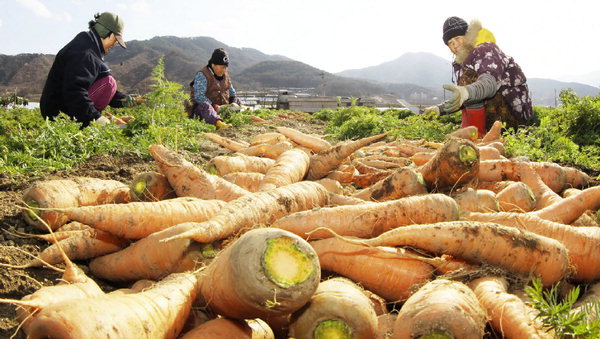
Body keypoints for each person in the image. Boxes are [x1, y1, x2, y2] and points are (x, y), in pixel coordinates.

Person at [425, 17, 534, 136]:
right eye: (450, 43)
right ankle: (475, 133)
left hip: (512, 115)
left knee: (469, 78)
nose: (455, 45)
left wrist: (465, 92)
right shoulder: (461, 63)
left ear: (467, 36)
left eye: (457, 38)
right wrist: (439, 109)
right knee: (469, 84)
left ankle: (478, 135)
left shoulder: (486, 50)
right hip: (493, 112)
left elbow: (488, 84)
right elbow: (465, 96)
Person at [40, 12, 142, 127]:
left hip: (63, 108)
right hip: (61, 113)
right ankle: (86, 123)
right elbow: (75, 91)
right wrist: (96, 118)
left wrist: (123, 99)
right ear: (109, 34)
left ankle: (93, 120)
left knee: (107, 79)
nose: (115, 44)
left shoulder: (89, 46)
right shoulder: (85, 53)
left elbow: (95, 86)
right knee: (108, 81)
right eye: (116, 39)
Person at [187, 48, 241, 130]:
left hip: (222, 109)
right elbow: (199, 97)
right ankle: (218, 123)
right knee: (204, 105)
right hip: (206, 111)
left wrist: (233, 103)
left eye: (226, 67)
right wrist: (215, 106)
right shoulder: (202, 75)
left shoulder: (226, 76)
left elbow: (232, 93)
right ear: (213, 65)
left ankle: (232, 118)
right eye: (222, 67)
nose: (224, 70)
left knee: (237, 101)